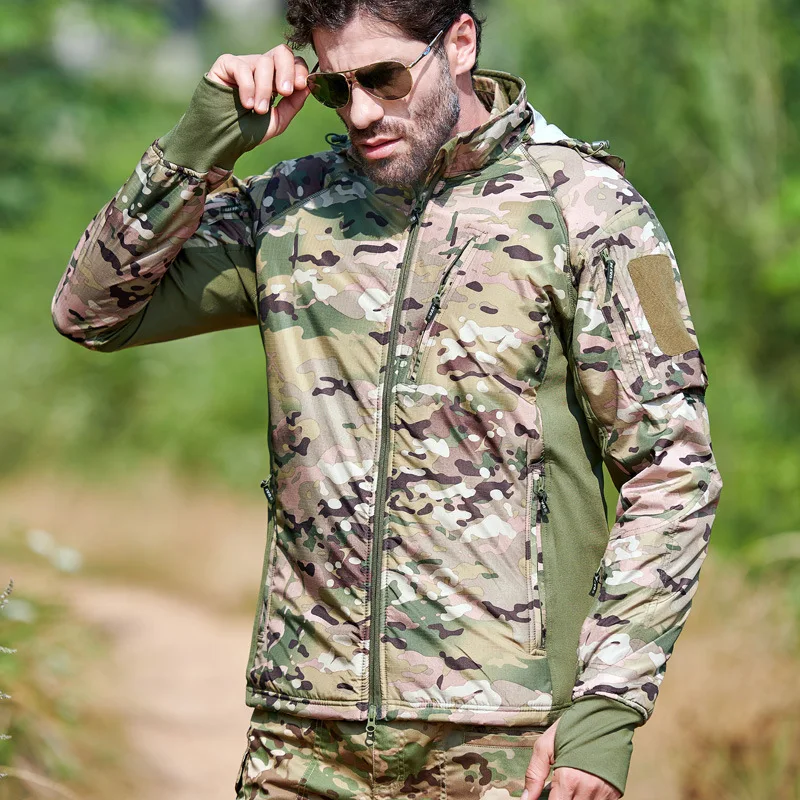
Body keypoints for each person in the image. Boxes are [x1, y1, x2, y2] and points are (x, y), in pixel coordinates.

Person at [51, 1, 723, 798]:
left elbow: (673, 468)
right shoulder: (292, 207)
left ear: (460, 43)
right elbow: (89, 311)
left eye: (384, 78)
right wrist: (202, 139)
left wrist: (605, 711)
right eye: (336, 88)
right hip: (303, 730)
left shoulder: (589, 209)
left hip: (505, 738)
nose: (361, 112)